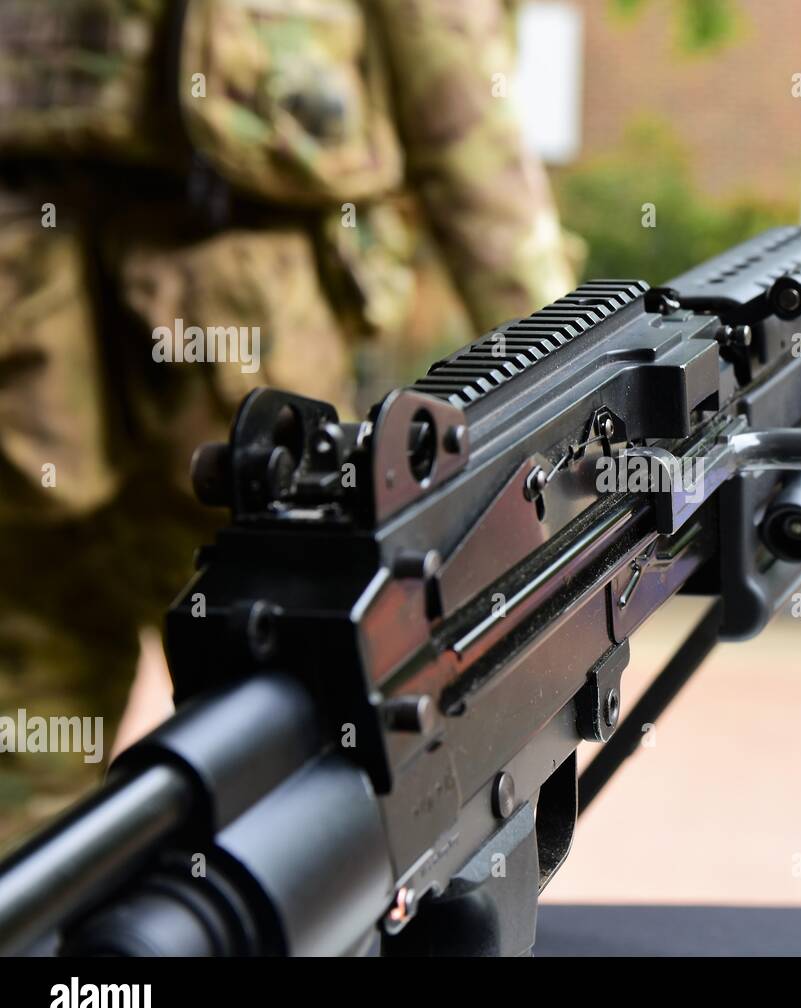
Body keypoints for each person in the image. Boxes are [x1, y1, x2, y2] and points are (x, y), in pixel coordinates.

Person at [0, 0, 576, 846]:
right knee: (286, 746)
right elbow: (465, 134)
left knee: (34, 745)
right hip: (234, 380)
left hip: (40, 349)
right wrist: (565, 385)